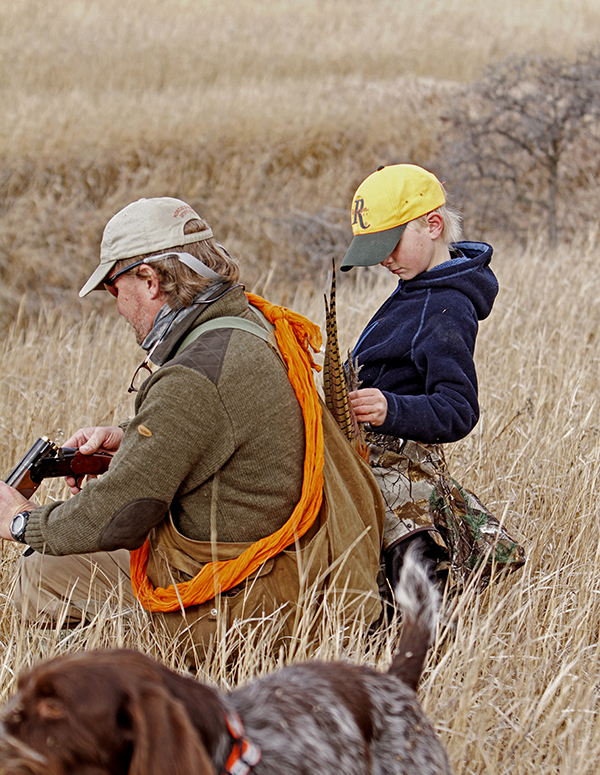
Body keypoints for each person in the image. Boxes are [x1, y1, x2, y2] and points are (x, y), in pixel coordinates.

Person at [0, 197, 384, 662]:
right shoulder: (250, 323)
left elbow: (117, 516)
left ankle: (115, 685)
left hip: (249, 604)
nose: (117, 306)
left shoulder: (193, 375)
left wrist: (21, 520)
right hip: (301, 572)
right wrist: (130, 438)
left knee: (41, 573)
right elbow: (216, 428)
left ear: (150, 279)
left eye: (112, 286)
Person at [340, 164, 524, 592]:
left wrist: (391, 408)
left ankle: (430, 617)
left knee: (396, 517)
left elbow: (459, 409)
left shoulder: (447, 306)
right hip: (374, 439)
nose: (384, 259)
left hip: (400, 456)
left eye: (390, 244)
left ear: (433, 225)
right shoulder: (418, 285)